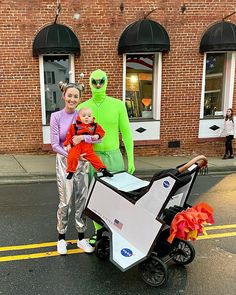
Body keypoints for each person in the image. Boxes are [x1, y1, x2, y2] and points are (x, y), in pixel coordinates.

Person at [77, 69, 135, 246]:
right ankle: (99, 231)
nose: (98, 85)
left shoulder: (118, 105)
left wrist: (131, 158)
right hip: (92, 158)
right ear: (89, 83)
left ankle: (119, 229)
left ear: (107, 82)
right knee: (95, 197)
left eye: (101, 81)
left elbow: (126, 133)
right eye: (94, 82)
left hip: (114, 156)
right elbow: (76, 134)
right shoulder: (82, 108)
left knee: (118, 196)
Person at [50, 81, 95, 255]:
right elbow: (55, 144)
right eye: (69, 95)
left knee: (82, 200)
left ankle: (81, 238)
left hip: (82, 162)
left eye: (75, 96)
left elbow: (94, 136)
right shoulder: (56, 117)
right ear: (63, 96)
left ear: (79, 98)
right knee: (65, 202)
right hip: (64, 162)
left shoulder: (82, 115)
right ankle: (61, 238)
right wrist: (72, 156)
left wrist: (85, 143)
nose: (72, 99)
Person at [64, 107, 113, 179]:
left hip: (87, 146)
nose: (86, 118)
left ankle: (103, 170)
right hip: (76, 145)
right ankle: (71, 171)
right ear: (79, 117)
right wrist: (67, 144)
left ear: (92, 117)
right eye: (84, 116)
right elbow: (69, 135)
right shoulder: (74, 126)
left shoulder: (95, 126)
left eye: (89, 116)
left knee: (94, 158)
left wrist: (97, 135)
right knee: (72, 156)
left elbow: (102, 132)